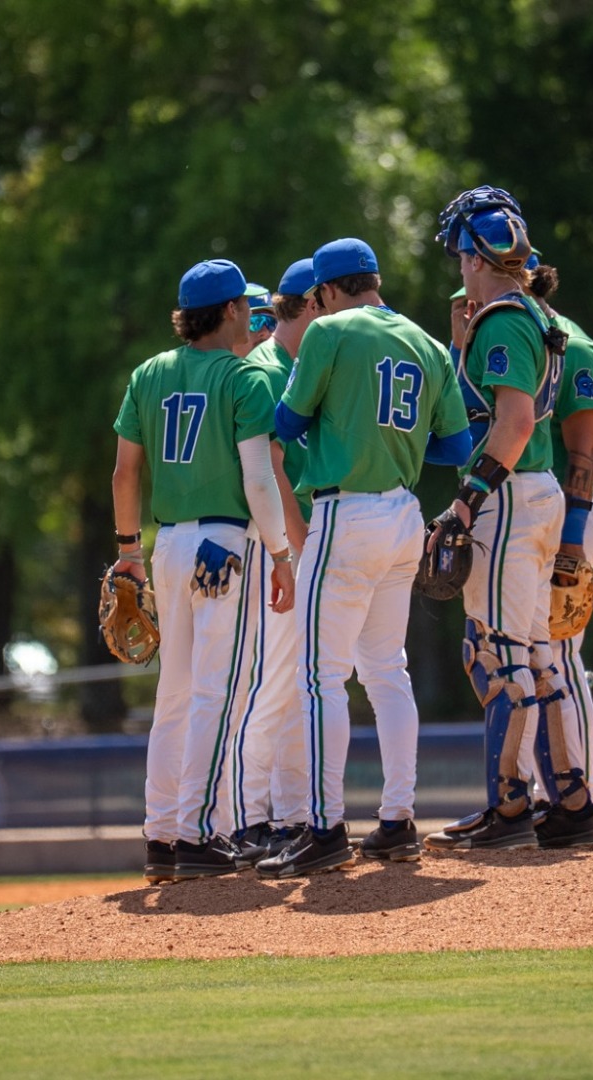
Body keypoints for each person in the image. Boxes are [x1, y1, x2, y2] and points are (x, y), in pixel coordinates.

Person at [259, 236, 472, 878]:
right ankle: (398, 819)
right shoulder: (427, 342)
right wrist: (391, 439)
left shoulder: (328, 333)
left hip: (344, 514)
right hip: (403, 513)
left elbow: (287, 423)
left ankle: (324, 828)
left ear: (324, 291)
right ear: (374, 280)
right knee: (387, 672)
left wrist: (342, 425)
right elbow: (456, 445)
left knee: (320, 676)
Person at [111, 258, 297, 884]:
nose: (252, 314)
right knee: (221, 693)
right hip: (226, 545)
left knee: (175, 696)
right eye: (245, 305)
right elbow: (258, 476)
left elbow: (125, 473)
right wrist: (279, 553)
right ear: (230, 312)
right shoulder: (246, 379)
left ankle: (161, 834)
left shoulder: (149, 373)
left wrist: (127, 550)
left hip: (166, 546)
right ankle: (196, 834)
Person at [422, 185, 586, 852]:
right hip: (537, 493)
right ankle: (570, 803)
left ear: (473, 257)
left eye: (461, 255)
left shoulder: (503, 320)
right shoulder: (527, 313)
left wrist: (467, 500)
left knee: (495, 654)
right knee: (536, 657)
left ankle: (511, 811)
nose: (458, 267)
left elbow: (513, 423)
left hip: (512, 497)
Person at [230, 258, 319, 863]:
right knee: (271, 684)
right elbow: (268, 472)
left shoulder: (298, 365)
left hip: (287, 542)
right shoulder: (267, 371)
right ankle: (244, 818)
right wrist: (294, 546)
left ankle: (286, 817)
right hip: (274, 545)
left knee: (289, 684)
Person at [526, 251, 593, 829]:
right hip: (535, 520)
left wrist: (574, 545)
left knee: (558, 654)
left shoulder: (571, 346)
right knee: (536, 658)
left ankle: (579, 796)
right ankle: (548, 793)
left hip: (567, 521)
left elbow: (584, 457)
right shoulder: (516, 338)